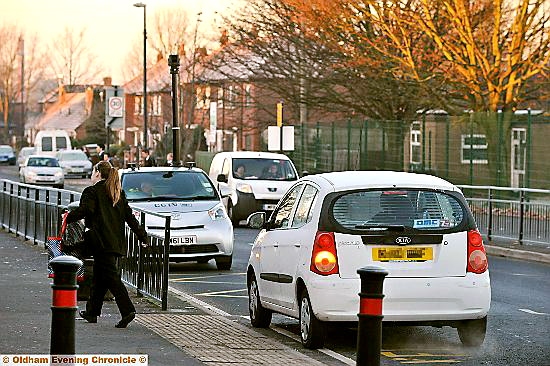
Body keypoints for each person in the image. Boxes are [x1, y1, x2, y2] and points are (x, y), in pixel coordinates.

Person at [65, 160, 147, 328]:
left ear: (97, 173)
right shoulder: (117, 192)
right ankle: (92, 312)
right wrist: (142, 236)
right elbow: (130, 218)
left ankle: (127, 310)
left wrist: (68, 217)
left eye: (93, 172)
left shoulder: (92, 191)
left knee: (112, 278)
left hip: (100, 242)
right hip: (115, 242)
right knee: (100, 277)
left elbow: (86, 210)